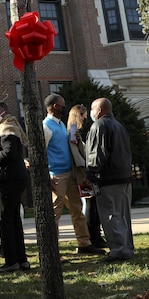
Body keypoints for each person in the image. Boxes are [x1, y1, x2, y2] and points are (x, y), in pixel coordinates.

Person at [43, 93, 104, 256]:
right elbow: (41, 152)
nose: (65, 107)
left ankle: (84, 243)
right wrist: (47, 175)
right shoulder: (46, 126)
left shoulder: (62, 125)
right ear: (55, 106)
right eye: (62, 104)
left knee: (77, 209)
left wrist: (75, 139)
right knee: (55, 213)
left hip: (70, 173)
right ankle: (53, 250)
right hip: (56, 175)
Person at [85, 97, 134, 263]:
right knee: (123, 215)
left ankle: (119, 251)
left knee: (111, 215)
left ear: (98, 110)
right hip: (123, 176)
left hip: (108, 178)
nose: (91, 113)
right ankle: (126, 247)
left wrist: (91, 173)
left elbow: (97, 153)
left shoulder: (99, 125)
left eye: (92, 109)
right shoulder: (119, 126)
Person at [0, 101, 30, 272]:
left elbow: (9, 152)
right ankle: (21, 259)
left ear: (3, 112)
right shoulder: (10, 127)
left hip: (8, 179)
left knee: (6, 220)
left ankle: (11, 261)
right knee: (14, 220)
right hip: (14, 177)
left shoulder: (8, 129)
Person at [67, 104, 106, 249]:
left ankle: (96, 235)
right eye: (83, 114)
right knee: (90, 204)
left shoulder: (77, 131)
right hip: (83, 172)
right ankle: (93, 236)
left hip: (85, 170)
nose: (85, 117)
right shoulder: (73, 131)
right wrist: (85, 170)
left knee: (93, 204)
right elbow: (77, 153)